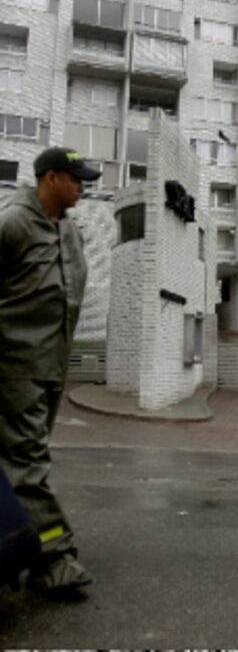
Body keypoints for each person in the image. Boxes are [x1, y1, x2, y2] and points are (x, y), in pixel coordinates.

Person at [0, 147, 100, 592]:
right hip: (15, 365)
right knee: (28, 462)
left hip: (50, 365)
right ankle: (53, 557)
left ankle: (16, 546)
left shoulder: (69, 230)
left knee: (21, 460)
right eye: (76, 178)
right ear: (50, 178)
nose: (84, 186)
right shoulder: (13, 223)